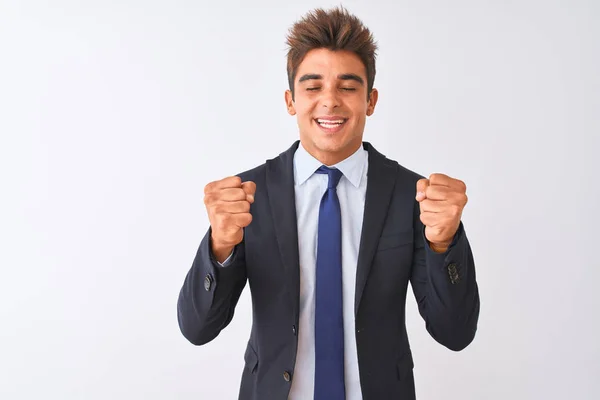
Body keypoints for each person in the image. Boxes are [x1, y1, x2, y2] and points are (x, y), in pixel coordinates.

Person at [177, 6, 480, 400]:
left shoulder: (414, 196)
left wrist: (444, 243)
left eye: (348, 87)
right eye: (313, 86)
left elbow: (455, 333)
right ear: (291, 100)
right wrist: (219, 247)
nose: (330, 101)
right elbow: (197, 329)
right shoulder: (248, 195)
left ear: (370, 100)